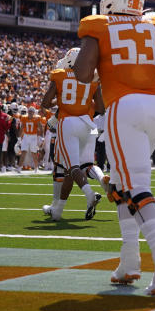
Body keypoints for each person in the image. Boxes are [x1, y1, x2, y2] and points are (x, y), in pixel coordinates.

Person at [73, 0, 155, 295]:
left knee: (135, 185)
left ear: (109, 2)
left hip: (123, 108)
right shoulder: (153, 24)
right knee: (121, 184)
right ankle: (129, 261)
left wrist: (101, 62)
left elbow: (81, 73)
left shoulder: (98, 26)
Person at [41, 47, 105, 221]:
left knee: (70, 167)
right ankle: (58, 211)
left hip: (68, 122)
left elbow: (45, 102)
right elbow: (100, 108)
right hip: (89, 124)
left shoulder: (60, 75)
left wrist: (60, 98)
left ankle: (89, 193)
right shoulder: (93, 78)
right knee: (84, 165)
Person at [18, 106, 43, 171]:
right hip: (26, 136)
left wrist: (41, 136)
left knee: (34, 153)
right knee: (23, 152)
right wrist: (19, 138)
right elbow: (22, 128)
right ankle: (19, 167)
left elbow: (40, 127)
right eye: (29, 111)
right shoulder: (24, 118)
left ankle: (36, 167)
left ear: (34, 112)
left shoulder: (37, 118)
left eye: (31, 112)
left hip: (33, 136)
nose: (30, 113)